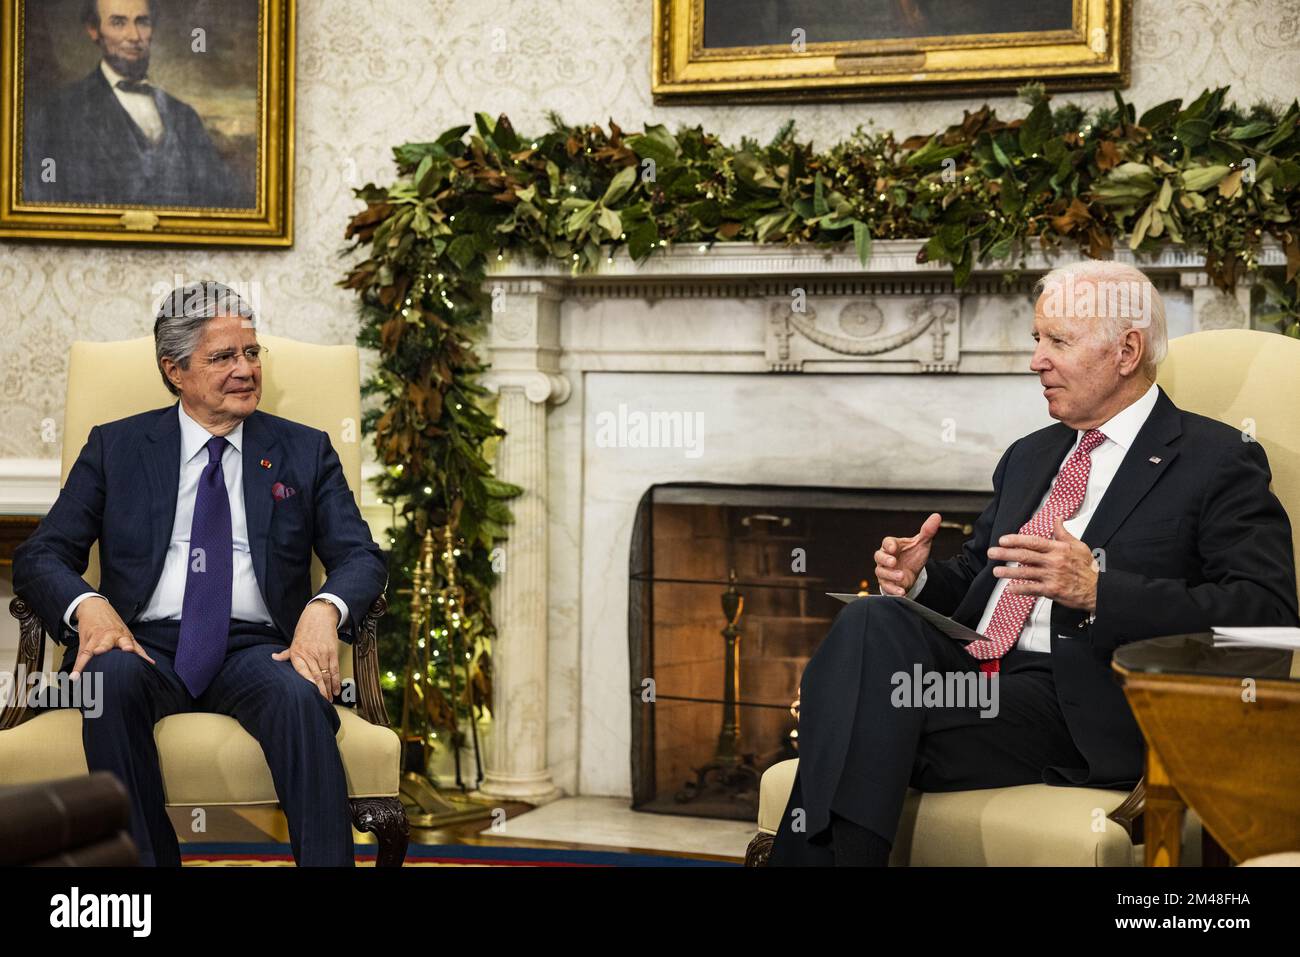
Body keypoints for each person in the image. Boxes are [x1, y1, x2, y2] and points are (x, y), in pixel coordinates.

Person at [769, 259, 1298, 866]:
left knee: (846, 714)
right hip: (976, 682)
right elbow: (980, 582)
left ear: (1126, 351)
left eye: (1057, 342)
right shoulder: (1029, 456)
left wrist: (1101, 591)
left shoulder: (1217, 460)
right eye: (1035, 340)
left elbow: (1267, 617)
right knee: (872, 621)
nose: (1035, 361)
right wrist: (918, 580)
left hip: (1081, 700)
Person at [13, 281, 387, 866]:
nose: (246, 369)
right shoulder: (118, 447)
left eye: (252, 353)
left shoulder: (304, 451)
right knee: (105, 685)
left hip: (260, 648)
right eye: (224, 357)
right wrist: (87, 605)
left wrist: (324, 610)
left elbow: (361, 556)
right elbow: (40, 555)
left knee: (300, 698)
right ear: (175, 370)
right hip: (143, 642)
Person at [22, 0, 248, 207]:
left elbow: (224, 200)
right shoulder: (55, 115)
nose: (134, 36)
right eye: (118, 23)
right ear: (94, 31)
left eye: (142, 22)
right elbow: (43, 205)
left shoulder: (184, 116)